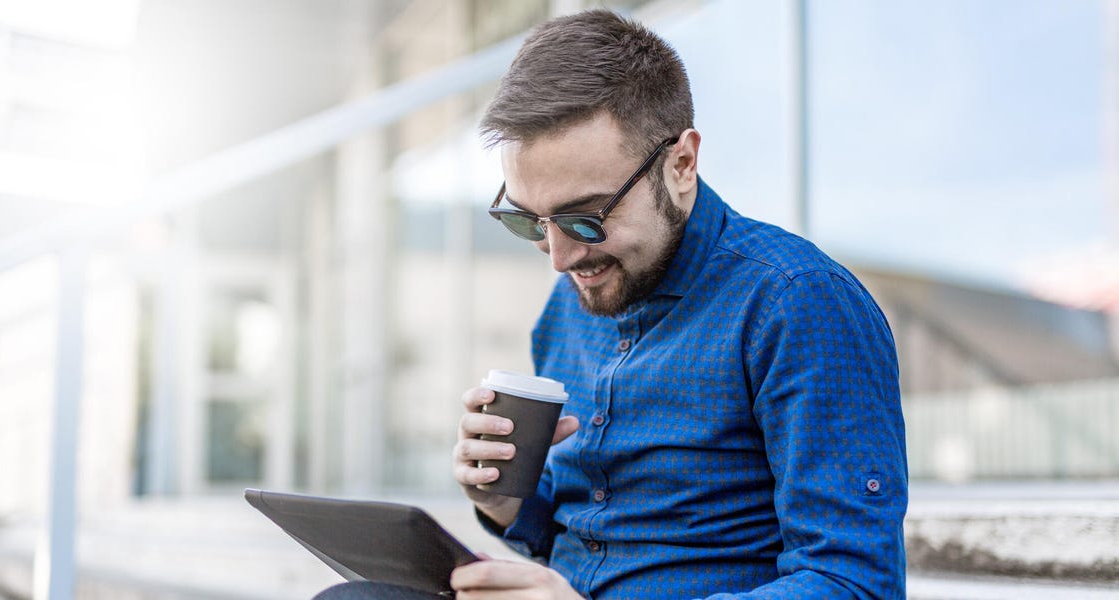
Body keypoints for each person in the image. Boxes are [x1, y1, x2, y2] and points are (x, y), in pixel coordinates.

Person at [318, 8, 906, 600]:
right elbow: (585, 535)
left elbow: (854, 583)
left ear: (682, 164)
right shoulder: (569, 304)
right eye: (530, 221)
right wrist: (505, 502)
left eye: (585, 217)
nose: (560, 257)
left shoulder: (797, 303)